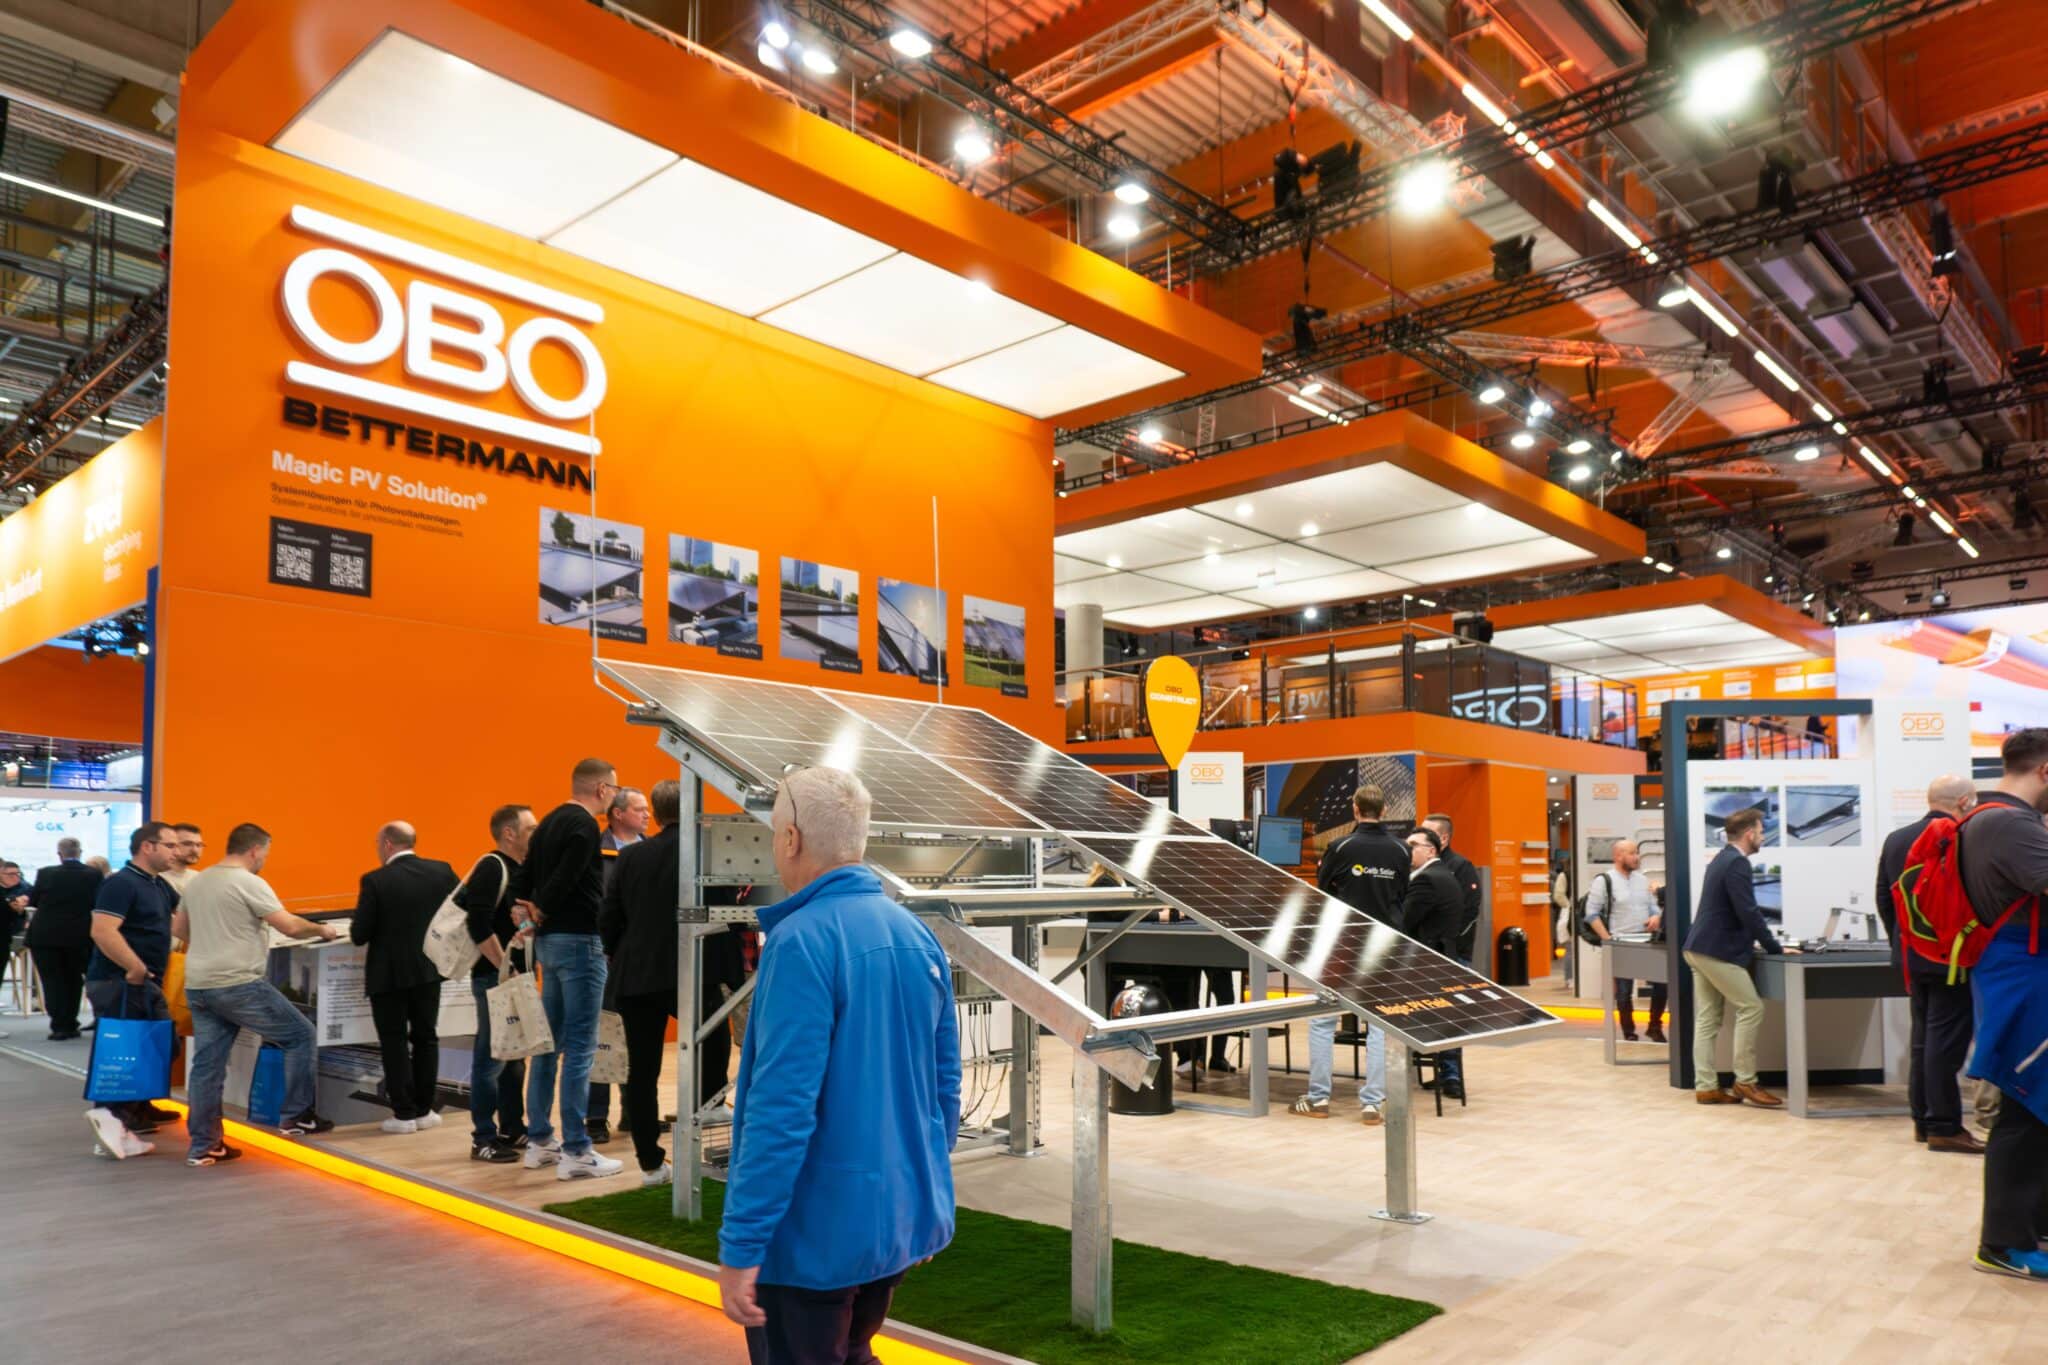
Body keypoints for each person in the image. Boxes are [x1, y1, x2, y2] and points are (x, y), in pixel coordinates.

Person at [716, 766, 959, 1363]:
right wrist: (921, 1198)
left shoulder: (801, 942)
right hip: (891, 1224)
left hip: (811, 1241)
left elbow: (781, 1109)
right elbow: (944, 1086)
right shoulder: (916, 934)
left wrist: (742, 1243)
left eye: (773, 832)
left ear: (791, 838)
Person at [602, 779, 747, 1187]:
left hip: (639, 973)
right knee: (714, 1040)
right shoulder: (707, 849)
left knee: (642, 1072)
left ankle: (650, 1164)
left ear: (657, 812)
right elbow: (726, 911)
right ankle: (711, 1112)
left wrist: (618, 952)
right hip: (695, 968)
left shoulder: (631, 856)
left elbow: (609, 916)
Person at [174, 823, 341, 1166]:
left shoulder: (199, 881)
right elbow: (290, 926)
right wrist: (323, 930)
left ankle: (204, 1145)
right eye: (265, 853)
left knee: (207, 1066)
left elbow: (178, 928)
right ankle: (296, 1117)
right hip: (238, 983)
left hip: (199, 983)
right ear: (254, 850)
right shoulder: (249, 882)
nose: (265, 859)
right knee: (300, 1036)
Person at [1959, 729, 2048, 1280]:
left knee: (2036, 1106)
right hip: (2023, 977)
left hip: (2019, 972)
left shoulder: (1990, 818)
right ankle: (2003, 1244)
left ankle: (2031, 1228)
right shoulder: (2011, 824)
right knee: (2023, 1106)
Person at [521, 757, 624, 1181]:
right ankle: (577, 1150)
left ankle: (539, 1141)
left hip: (550, 943)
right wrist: (539, 908)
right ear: (601, 789)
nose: (615, 796)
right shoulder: (584, 825)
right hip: (580, 942)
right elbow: (565, 877)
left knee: (549, 1045)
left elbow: (525, 874)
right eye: (615, 789)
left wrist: (526, 911)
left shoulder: (548, 821)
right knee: (580, 1048)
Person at [1876, 774, 1982, 1153]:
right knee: (1945, 1043)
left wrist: (1903, 942)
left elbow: (1885, 899)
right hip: (1950, 957)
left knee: (1923, 1039)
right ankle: (1943, 1125)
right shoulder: (1961, 837)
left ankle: (1923, 1120)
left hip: (1912, 957)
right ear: (1965, 801)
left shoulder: (1896, 839)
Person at [1298, 785, 1406, 1123]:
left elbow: (1322, 892)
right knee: (1378, 1025)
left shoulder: (1340, 847)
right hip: (1384, 946)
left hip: (1341, 944)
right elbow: (1402, 895)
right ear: (1384, 810)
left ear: (1356, 809)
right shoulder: (1401, 850)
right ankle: (1372, 1104)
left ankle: (1318, 1099)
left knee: (1322, 1021)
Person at [81, 821, 182, 1158]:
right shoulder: (121, 883)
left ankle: (125, 1117)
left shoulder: (159, 885)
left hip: (143, 981)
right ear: (147, 847)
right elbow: (102, 930)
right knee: (124, 1052)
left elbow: (178, 921)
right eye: (170, 845)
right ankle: (111, 1117)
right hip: (121, 981)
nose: (177, 852)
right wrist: (134, 967)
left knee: (155, 1047)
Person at [351, 821, 459, 1134]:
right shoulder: (442, 871)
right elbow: (459, 912)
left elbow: (360, 934)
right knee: (426, 1037)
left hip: (389, 976)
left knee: (394, 1041)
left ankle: (403, 1114)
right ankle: (425, 1109)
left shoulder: (375, 880)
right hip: (429, 970)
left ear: (387, 844)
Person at [1683, 807, 1795, 1107]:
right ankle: (1745, 1081)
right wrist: (1773, 946)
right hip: (1715, 950)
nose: (1763, 837)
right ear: (1749, 834)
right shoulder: (1737, 863)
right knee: (1751, 1007)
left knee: (1707, 1019)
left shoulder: (1722, 858)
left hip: (1699, 946)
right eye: (1760, 832)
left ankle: (1706, 1087)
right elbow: (1748, 911)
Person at [461, 803, 537, 1163]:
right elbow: (477, 925)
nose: (535, 834)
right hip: (496, 978)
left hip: (518, 977)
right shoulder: (492, 867)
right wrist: (504, 969)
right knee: (491, 1058)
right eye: (530, 828)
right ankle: (483, 1136)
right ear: (509, 833)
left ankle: (512, 1127)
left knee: (515, 1057)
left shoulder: (523, 869)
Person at [587, 784, 649, 1143]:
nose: (647, 815)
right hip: (605, 954)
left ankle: (633, 1112)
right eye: (640, 809)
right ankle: (596, 1117)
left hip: (642, 957)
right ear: (618, 813)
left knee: (637, 1035)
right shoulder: (597, 852)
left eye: (648, 809)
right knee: (602, 1034)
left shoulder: (651, 850)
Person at [1402, 827, 1468, 1100]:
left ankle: (1404, 1076)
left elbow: (1405, 921)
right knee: (1446, 1020)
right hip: (1444, 957)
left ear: (1431, 850)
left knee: (1429, 1021)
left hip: (1426, 962)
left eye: (1413, 845)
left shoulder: (1427, 879)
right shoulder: (1445, 875)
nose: (1407, 849)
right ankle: (1449, 1075)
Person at [1421, 813, 1481, 1097]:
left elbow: (1469, 912)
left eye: (1428, 832)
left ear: (1443, 838)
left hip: (1453, 954)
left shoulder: (1461, 867)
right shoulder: (1420, 867)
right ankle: (1432, 1069)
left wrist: (1448, 943)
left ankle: (1451, 1075)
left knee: (1451, 1016)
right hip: (1424, 953)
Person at [1585, 839, 1668, 1042]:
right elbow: (1591, 914)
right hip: (1620, 942)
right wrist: (1607, 940)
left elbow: (1654, 908)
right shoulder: (1604, 880)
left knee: (1662, 984)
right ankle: (1628, 1031)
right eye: (1631, 853)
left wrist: (1656, 917)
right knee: (1623, 991)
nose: (1636, 857)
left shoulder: (1642, 880)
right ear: (1618, 856)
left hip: (1647, 941)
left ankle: (1654, 1026)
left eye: (1637, 853)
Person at [26, 838, 105, 1041]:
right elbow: (98, 902)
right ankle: (71, 1022)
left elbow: (34, 901)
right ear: (80, 853)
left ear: (59, 854)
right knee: (74, 980)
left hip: (45, 936)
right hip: (80, 936)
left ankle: (60, 1025)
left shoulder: (45, 873)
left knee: (52, 981)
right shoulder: (94, 874)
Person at [163, 823, 205, 895]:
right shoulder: (158, 879)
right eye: (187, 844)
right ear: (171, 845)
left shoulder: (198, 877)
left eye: (199, 845)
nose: (195, 850)